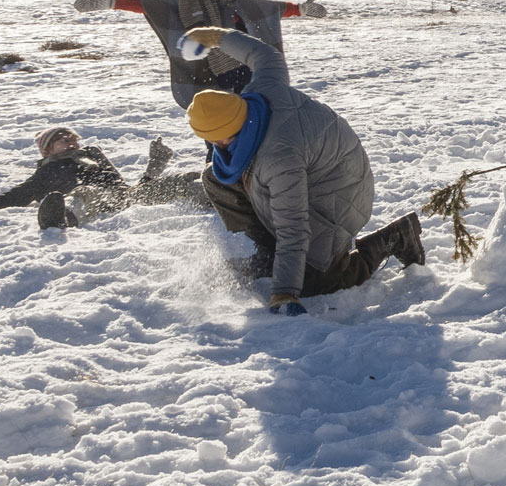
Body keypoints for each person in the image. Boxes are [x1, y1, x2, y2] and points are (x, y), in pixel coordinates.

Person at [180, 27, 422, 311]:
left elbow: (293, 228)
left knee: (316, 282)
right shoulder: (259, 93)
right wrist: (215, 36)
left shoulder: (279, 157)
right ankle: (271, 253)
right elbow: (263, 54)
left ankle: (395, 237)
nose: (215, 144)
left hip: (340, 192)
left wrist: (284, 292)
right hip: (314, 167)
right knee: (216, 177)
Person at [74, 0, 326, 107]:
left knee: (265, 114)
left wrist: (302, 9)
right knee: (234, 121)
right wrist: (112, 3)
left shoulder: (238, 0)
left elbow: (271, 9)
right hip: (225, 69)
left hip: (255, 65)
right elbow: (154, 5)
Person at [0, 126, 197, 229]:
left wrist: (155, 165)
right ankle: (62, 219)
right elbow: (4, 202)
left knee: (185, 180)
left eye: (72, 137)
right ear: (47, 150)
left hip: (125, 198)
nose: (71, 141)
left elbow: (126, 189)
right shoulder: (45, 174)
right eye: (61, 139)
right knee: (84, 193)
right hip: (90, 202)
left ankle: (219, 195)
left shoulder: (94, 156)